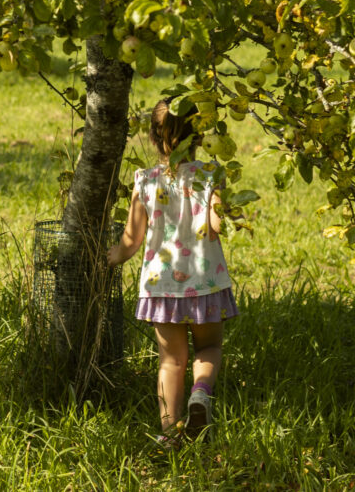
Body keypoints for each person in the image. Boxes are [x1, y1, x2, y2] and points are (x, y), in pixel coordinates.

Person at [107, 97, 238, 449]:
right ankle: (200, 393)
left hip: (161, 286)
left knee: (170, 361)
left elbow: (131, 241)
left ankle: (168, 433)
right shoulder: (212, 175)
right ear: (200, 135)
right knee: (208, 347)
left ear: (153, 136)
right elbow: (217, 226)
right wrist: (224, 203)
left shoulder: (145, 181)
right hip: (206, 283)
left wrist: (110, 257)